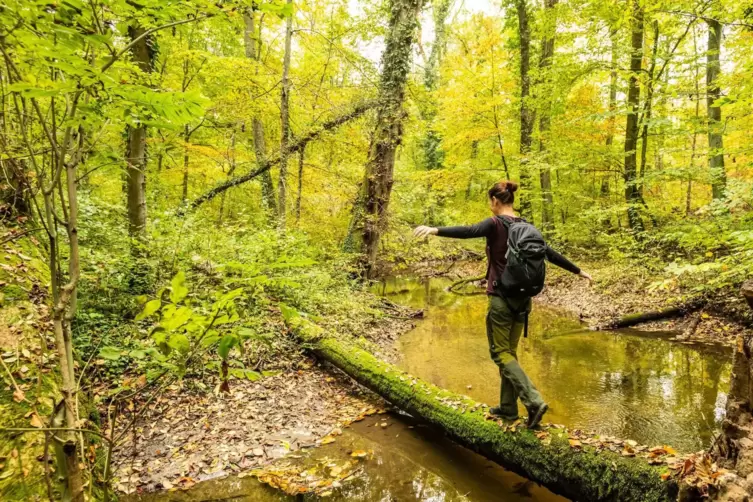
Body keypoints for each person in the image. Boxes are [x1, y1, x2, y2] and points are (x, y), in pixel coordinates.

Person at [413, 180, 592, 428]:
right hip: (523, 302)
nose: (490, 206)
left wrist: (435, 230)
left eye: (490, 202)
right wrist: (579, 271)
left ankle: (533, 400)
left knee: (500, 353)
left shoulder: (495, 223)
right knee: (509, 353)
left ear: (496, 201)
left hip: (500, 299)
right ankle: (508, 409)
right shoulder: (527, 226)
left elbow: (468, 231)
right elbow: (549, 253)